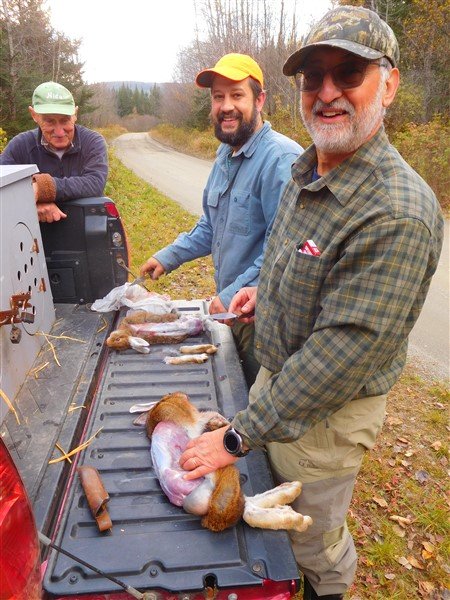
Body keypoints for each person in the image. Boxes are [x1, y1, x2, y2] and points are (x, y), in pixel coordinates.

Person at [177, 6, 444, 599]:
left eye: (348, 73)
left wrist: (234, 437)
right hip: (279, 382)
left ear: (390, 83)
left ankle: (327, 590)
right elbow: (286, 254)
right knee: (270, 507)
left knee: (310, 539)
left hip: (325, 415)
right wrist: (257, 293)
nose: (327, 92)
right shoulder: (310, 169)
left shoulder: (396, 210)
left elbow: (340, 355)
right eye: (312, 77)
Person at [139, 53, 302, 387]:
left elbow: (282, 247)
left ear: (260, 100)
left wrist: (229, 295)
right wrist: (167, 257)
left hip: (266, 319)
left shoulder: (280, 160)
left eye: (237, 95)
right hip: (235, 313)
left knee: (259, 401)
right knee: (235, 395)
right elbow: (211, 225)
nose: (226, 105)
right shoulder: (225, 154)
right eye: (218, 97)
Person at [0, 81, 108, 223]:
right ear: (34, 115)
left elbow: (94, 182)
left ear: (75, 114)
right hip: (34, 236)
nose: (59, 131)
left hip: (86, 228)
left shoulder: (92, 142)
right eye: (49, 121)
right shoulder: (20, 146)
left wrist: (42, 187)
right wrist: (33, 204)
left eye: (65, 120)